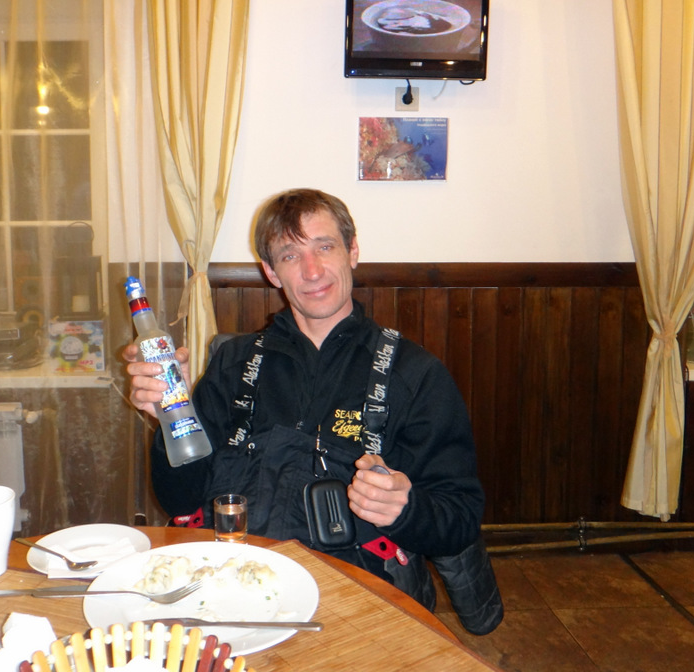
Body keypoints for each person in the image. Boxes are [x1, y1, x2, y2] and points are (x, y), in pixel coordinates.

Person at [125, 188, 491, 620]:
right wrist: (170, 419)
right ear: (271, 272)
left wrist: (407, 510)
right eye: (290, 255)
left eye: (325, 246)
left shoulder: (416, 375)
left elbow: (460, 518)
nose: (312, 270)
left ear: (352, 251)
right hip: (231, 591)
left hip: (361, 604)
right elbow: (180, 499)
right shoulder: (233, 363)